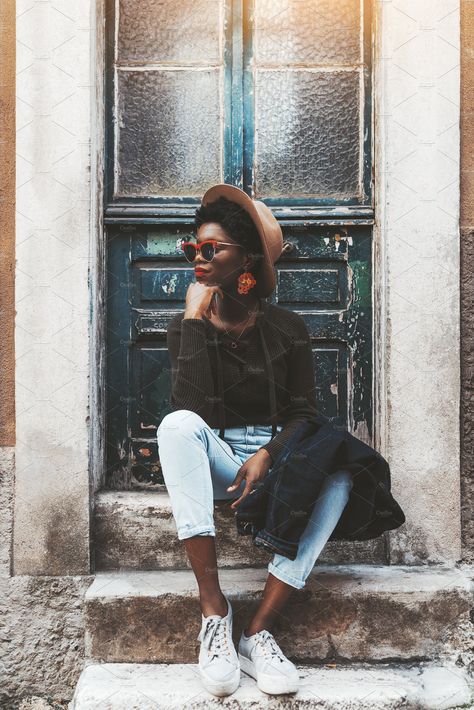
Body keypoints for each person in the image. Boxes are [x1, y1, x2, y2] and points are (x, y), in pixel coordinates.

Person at [157, 184, 353, 698]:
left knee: (339, 468)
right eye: (191, 248)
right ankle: (214, 613)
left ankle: (258, 631)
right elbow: (189, 409)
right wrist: (196, 322)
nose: (197, 258)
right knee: (175, 426)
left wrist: (269, 453)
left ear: (245, 259)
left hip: (274, 461)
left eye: (211, 249)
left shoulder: (288, 329)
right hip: (217, 463)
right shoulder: (188, 325)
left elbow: (304, 414)